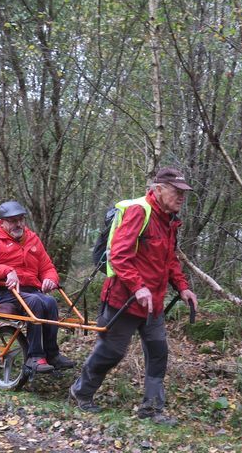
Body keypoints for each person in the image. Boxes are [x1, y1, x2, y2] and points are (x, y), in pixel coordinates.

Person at [69, 166, 199, 426]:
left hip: (154, 303)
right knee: (111, 352)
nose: (181, 198)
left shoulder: (169, 220)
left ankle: (151, 410)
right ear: (159, 189)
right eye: (177, 192)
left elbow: (169, 259)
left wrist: (183, 287)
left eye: (184, 193)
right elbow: (119, 255)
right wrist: (138, 287)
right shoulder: (140, 211)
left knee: (158, 353)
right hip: (124, 300)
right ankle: (81, 391)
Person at [0, 200, 75, 373]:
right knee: (34, 301)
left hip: (28, 290)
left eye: (21, 219)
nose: (18, 224)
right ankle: (34, 357)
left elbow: (47, 267)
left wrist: (50, 279)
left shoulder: (32, 239)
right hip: (0, 291)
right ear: (1, 222)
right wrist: (6, 271)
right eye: (12, 220)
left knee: (49, 302)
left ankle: (52, 354)